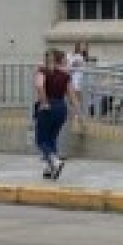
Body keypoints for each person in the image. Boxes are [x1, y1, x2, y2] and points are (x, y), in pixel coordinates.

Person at [34, 49, 79, 179]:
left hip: (48, 106)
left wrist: (44, 102)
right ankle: (50, 168)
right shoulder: (66, 75)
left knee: (41, 140)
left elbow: (39, 86)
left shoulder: (43, 71)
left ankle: (55, 162)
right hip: (61, 107)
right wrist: (77, 114)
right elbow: (72, 96)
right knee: (52, 138)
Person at [68, 42, 88, 116]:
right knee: (74, 98)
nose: (84, 48)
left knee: (78, 98)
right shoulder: (73, 56)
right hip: (74, 80)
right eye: (83, 46)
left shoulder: (82, 57)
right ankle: (75, 114)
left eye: (85, 46)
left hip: (79, 79)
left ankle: (76, 114)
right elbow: (72, 65)